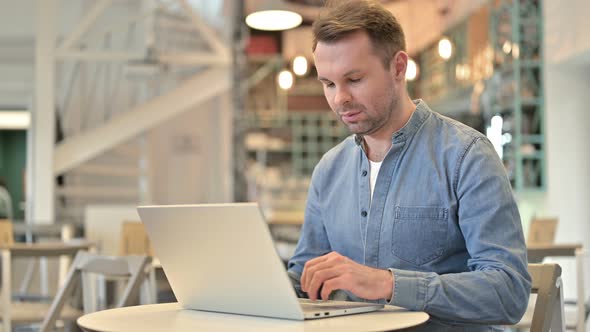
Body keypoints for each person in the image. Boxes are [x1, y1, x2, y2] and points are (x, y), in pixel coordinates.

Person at [286, 0, 531, 329]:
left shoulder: (466, 156)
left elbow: (509, 293)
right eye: (328, 84)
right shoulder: (329, 170)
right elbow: (305, 278)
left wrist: (388, 283)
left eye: (354, 79)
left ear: (398, 67)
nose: (339, 98)